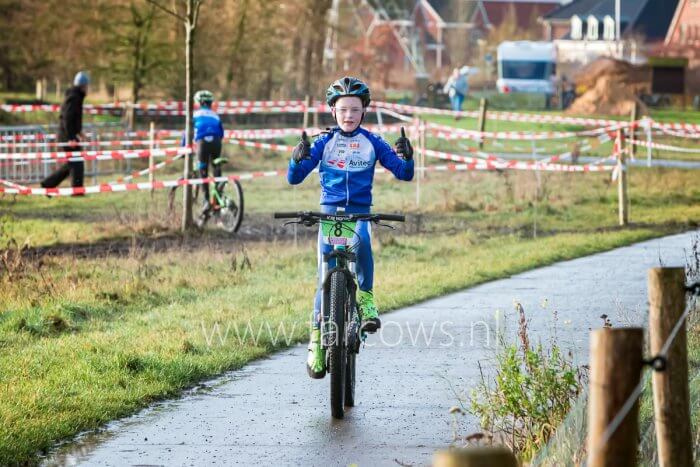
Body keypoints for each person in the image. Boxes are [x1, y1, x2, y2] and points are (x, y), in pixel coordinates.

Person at [286, 76, 414, 379]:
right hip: (328, 214)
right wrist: (296, 160)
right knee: (323, 275)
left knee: (364, 245)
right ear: (333, 111)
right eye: (343, 109)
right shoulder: (323, 142)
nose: (348, 115)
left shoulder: (373, 142)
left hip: (358, 213)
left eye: (355, 110)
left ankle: (366, 300)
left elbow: (403, 174)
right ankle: (317, 341)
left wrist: (407, 158)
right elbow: (295, 178)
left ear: (363, 111)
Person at [41, 71, 89, 189]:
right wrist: (71, 138)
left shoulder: (76, 96)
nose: (88, 88)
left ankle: (48, 184)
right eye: (87, 86)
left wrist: (79, 132)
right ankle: (77, 190)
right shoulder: (74, 97)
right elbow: (67, 119)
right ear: (83, 86)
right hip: (67, 136)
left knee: (72, 163)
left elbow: (73, 119)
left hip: (69, 134)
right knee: (76, 162)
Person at [191, 90, 225, 215]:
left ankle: (206, 200)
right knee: (216, 165)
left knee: (202, 169)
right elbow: (221, 133)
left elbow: (187, 134)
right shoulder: (215, 115)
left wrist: (184, 148)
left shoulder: (194, 115)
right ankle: (218, 197)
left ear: (199, 103)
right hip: (216, 142)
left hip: (202, 143)